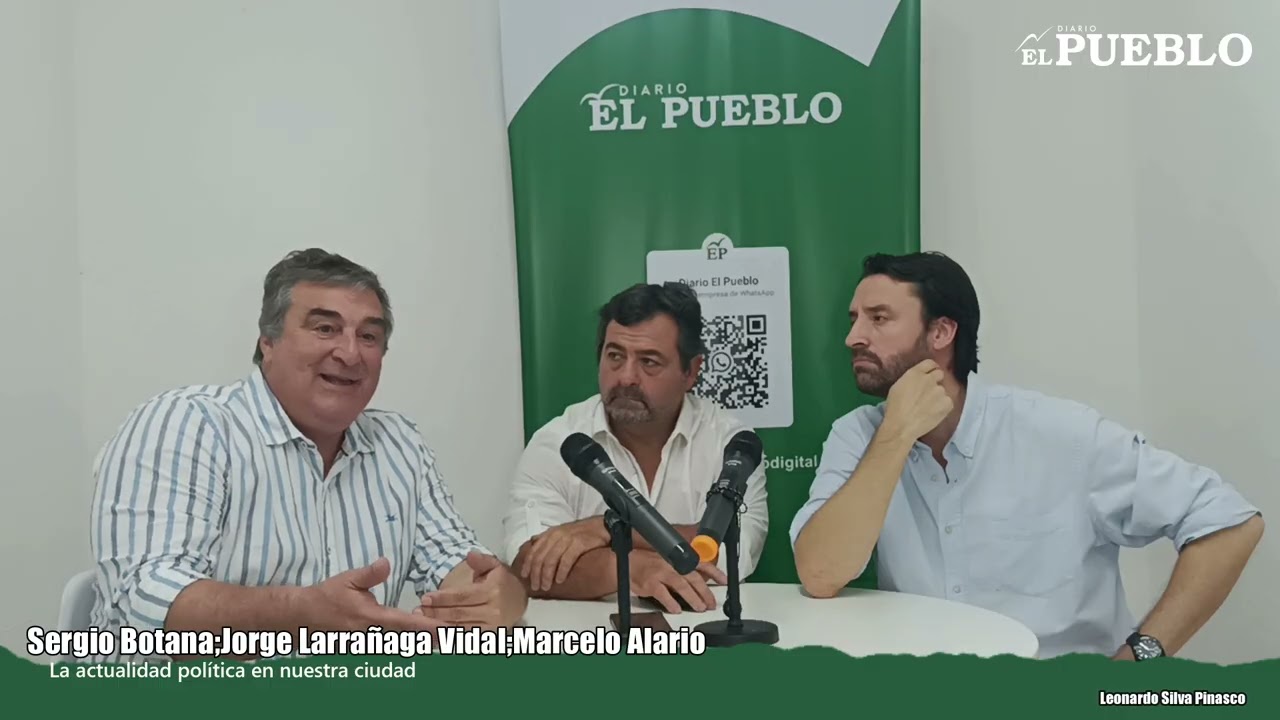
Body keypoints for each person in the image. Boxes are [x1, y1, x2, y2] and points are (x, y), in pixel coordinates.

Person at [790, 251, 1264, 660]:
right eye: (853, 319)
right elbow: (820, 575)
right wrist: (895, 435)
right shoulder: (859, 436)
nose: (853, 337)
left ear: (941, 332)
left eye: (878, 318)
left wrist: (1139, 656)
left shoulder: (1059, 434)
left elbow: (1231, 524)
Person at [87, 248, 526, 661]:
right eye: (324, 328)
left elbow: (460, 565)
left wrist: (497, 593)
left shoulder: (399, 443)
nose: (350, 353)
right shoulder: (188, 424)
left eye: (369, 336)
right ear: (268, 342)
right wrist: (299, 616)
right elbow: (143, 602)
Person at [502, 282, 769, 615]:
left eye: (649, 362)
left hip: (703, 633)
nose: (626, 377)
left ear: (691, 372)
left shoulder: (730, 442)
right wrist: (631, 568)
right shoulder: (559, 442)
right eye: (614, 356)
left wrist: (607, 529)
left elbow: (735, 550)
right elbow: (531, 564)